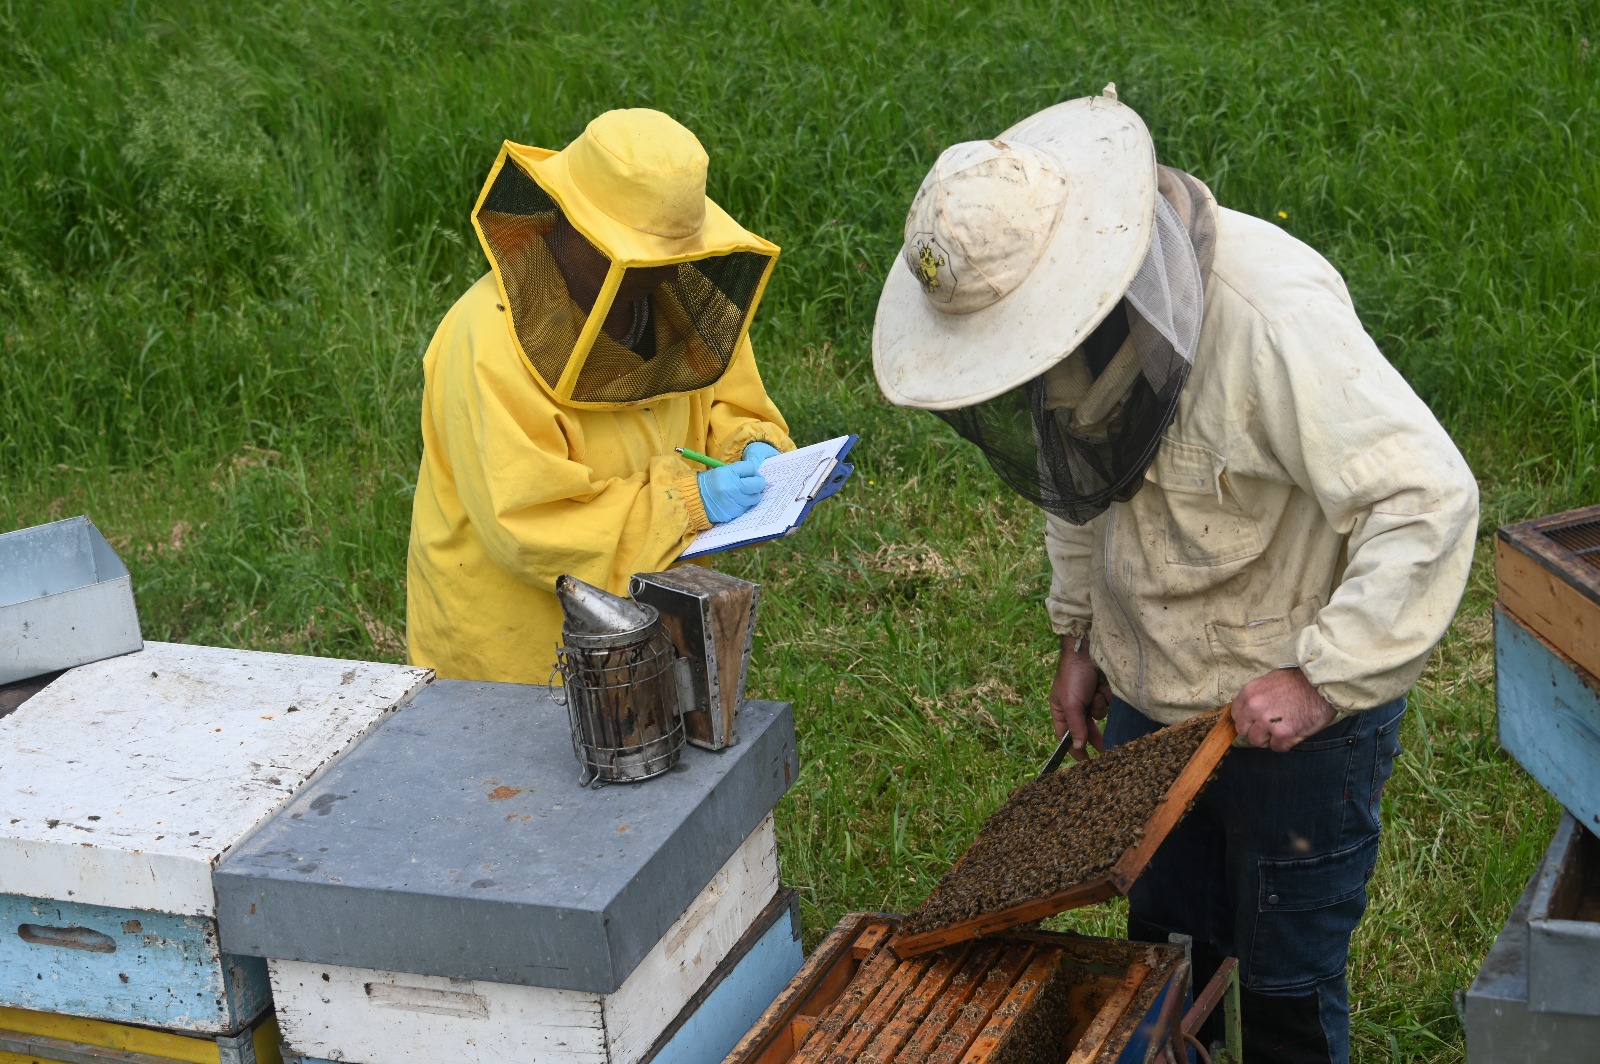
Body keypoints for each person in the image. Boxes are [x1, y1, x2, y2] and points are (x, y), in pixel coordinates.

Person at [871, 85, 1477, 1063]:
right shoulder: (1061, 322)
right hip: (1149, 702)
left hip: (1291, 715)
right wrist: (1080, 633)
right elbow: (1078, 482)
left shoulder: (1268, 317)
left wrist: (1322, 675)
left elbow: (1422, 498)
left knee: (1282, 983)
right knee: (1160, 962)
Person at [407, 109, 793, 683]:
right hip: (518, 653)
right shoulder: (486, 343)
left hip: (652, 614)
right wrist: (687, 506)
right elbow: (530, 525)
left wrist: (753, 443)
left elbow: (727, 400)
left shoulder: (675, 298)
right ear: (571, 225)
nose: (660, 274)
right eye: (637, 258)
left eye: (672, 257)